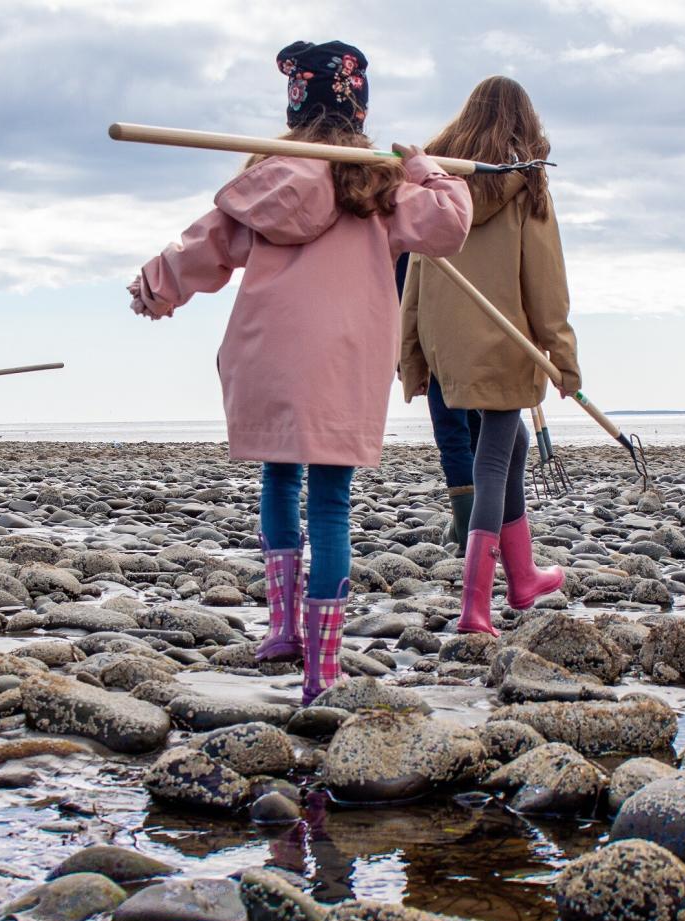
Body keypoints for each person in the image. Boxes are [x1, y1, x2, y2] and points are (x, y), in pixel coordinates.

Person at [128, 40, 472, 704]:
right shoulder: (378, 182)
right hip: (344, 360)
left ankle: (283, 628)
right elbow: (451, 226)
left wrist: (156, 288)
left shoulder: (268, 176)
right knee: (332, 504)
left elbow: (207, 243)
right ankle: (322, 670)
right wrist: (428, 170)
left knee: (279, 477)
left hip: (269, 353)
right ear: (357, 107)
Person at [399, 76, 581, 635]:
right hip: (504, 342)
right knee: (495, 458)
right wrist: (564, 354)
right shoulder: (527, 186)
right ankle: (475, 607)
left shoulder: (439, 189)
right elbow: (544, 281)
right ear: (523, 124)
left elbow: (414, 275)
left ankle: (523, 576)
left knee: (515, 441)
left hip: (448, 340)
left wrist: (413, 355)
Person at [395, 253, 480, 551]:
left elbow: (405, 294)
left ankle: (469, 532)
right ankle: (479, 530)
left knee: (455, 435)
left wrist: (406, 355)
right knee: (479, 432)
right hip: (483, 334)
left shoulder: (414, 223)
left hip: (438, 340)